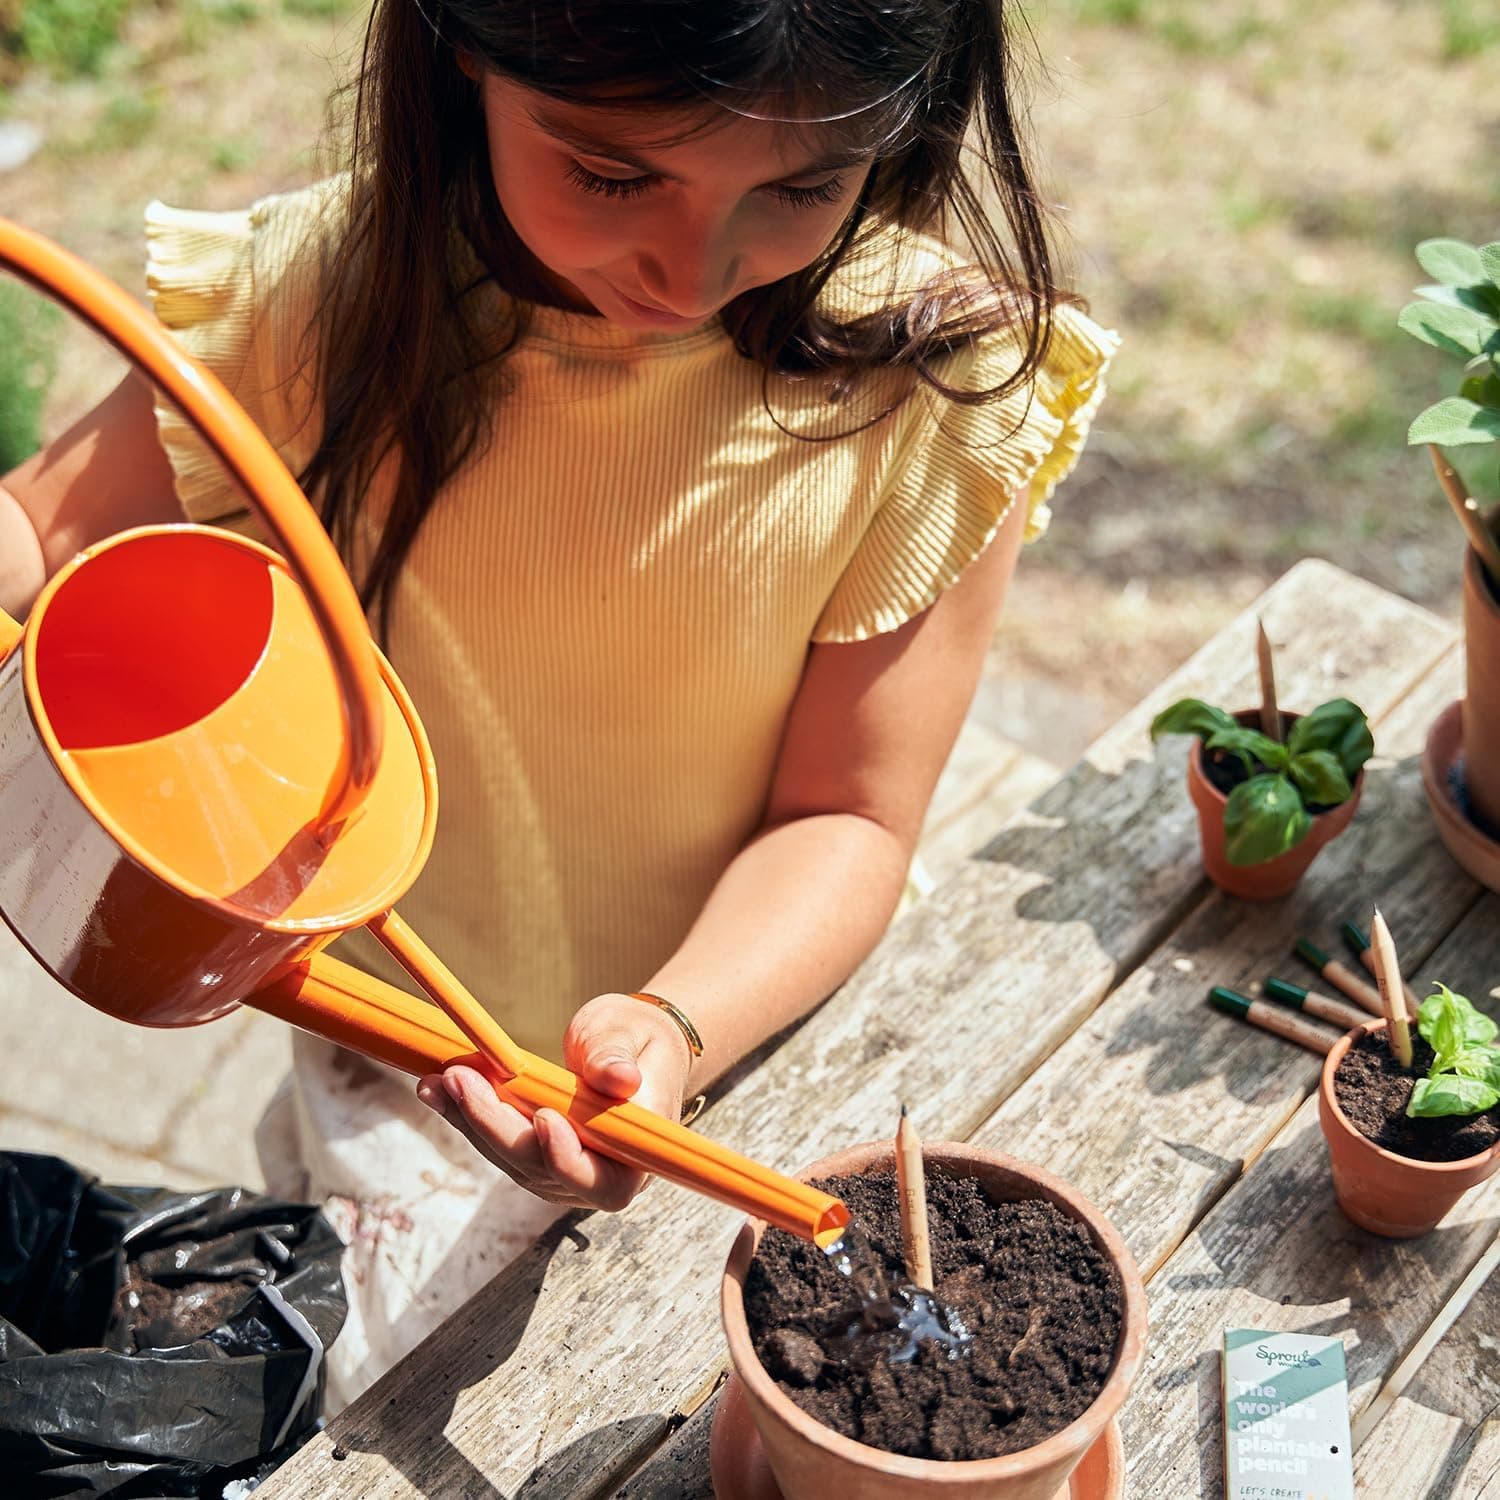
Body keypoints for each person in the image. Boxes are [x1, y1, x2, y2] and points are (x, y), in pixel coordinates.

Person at [0, 0, 1117, 1404]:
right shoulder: (334, 293)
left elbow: (848, 815)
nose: (690, 263)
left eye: (801, 187)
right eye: (610, 171)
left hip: (716, 1045)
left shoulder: (931, 386)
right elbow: (41, 535)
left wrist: (673, 1027)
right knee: (345, 1397)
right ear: (465, 43)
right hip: (381, 1039)